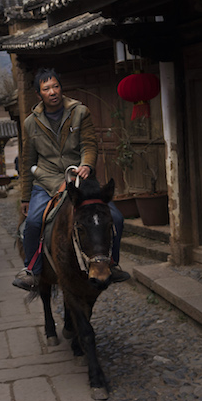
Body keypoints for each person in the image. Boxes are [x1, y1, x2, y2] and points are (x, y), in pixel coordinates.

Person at [13, 68, 130, 290]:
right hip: (46, 182)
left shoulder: (80, 112)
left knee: (116, 218)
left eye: (55, 86)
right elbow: (28, 162)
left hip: (81, 180)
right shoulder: (30, 123)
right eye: (46, 89)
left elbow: (89, 143)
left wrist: (86, 164)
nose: (53, 92)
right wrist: (25, 197)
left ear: (61, 88)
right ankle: (32, 269)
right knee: (33, 222)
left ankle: (112, 264)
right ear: (39, 94)